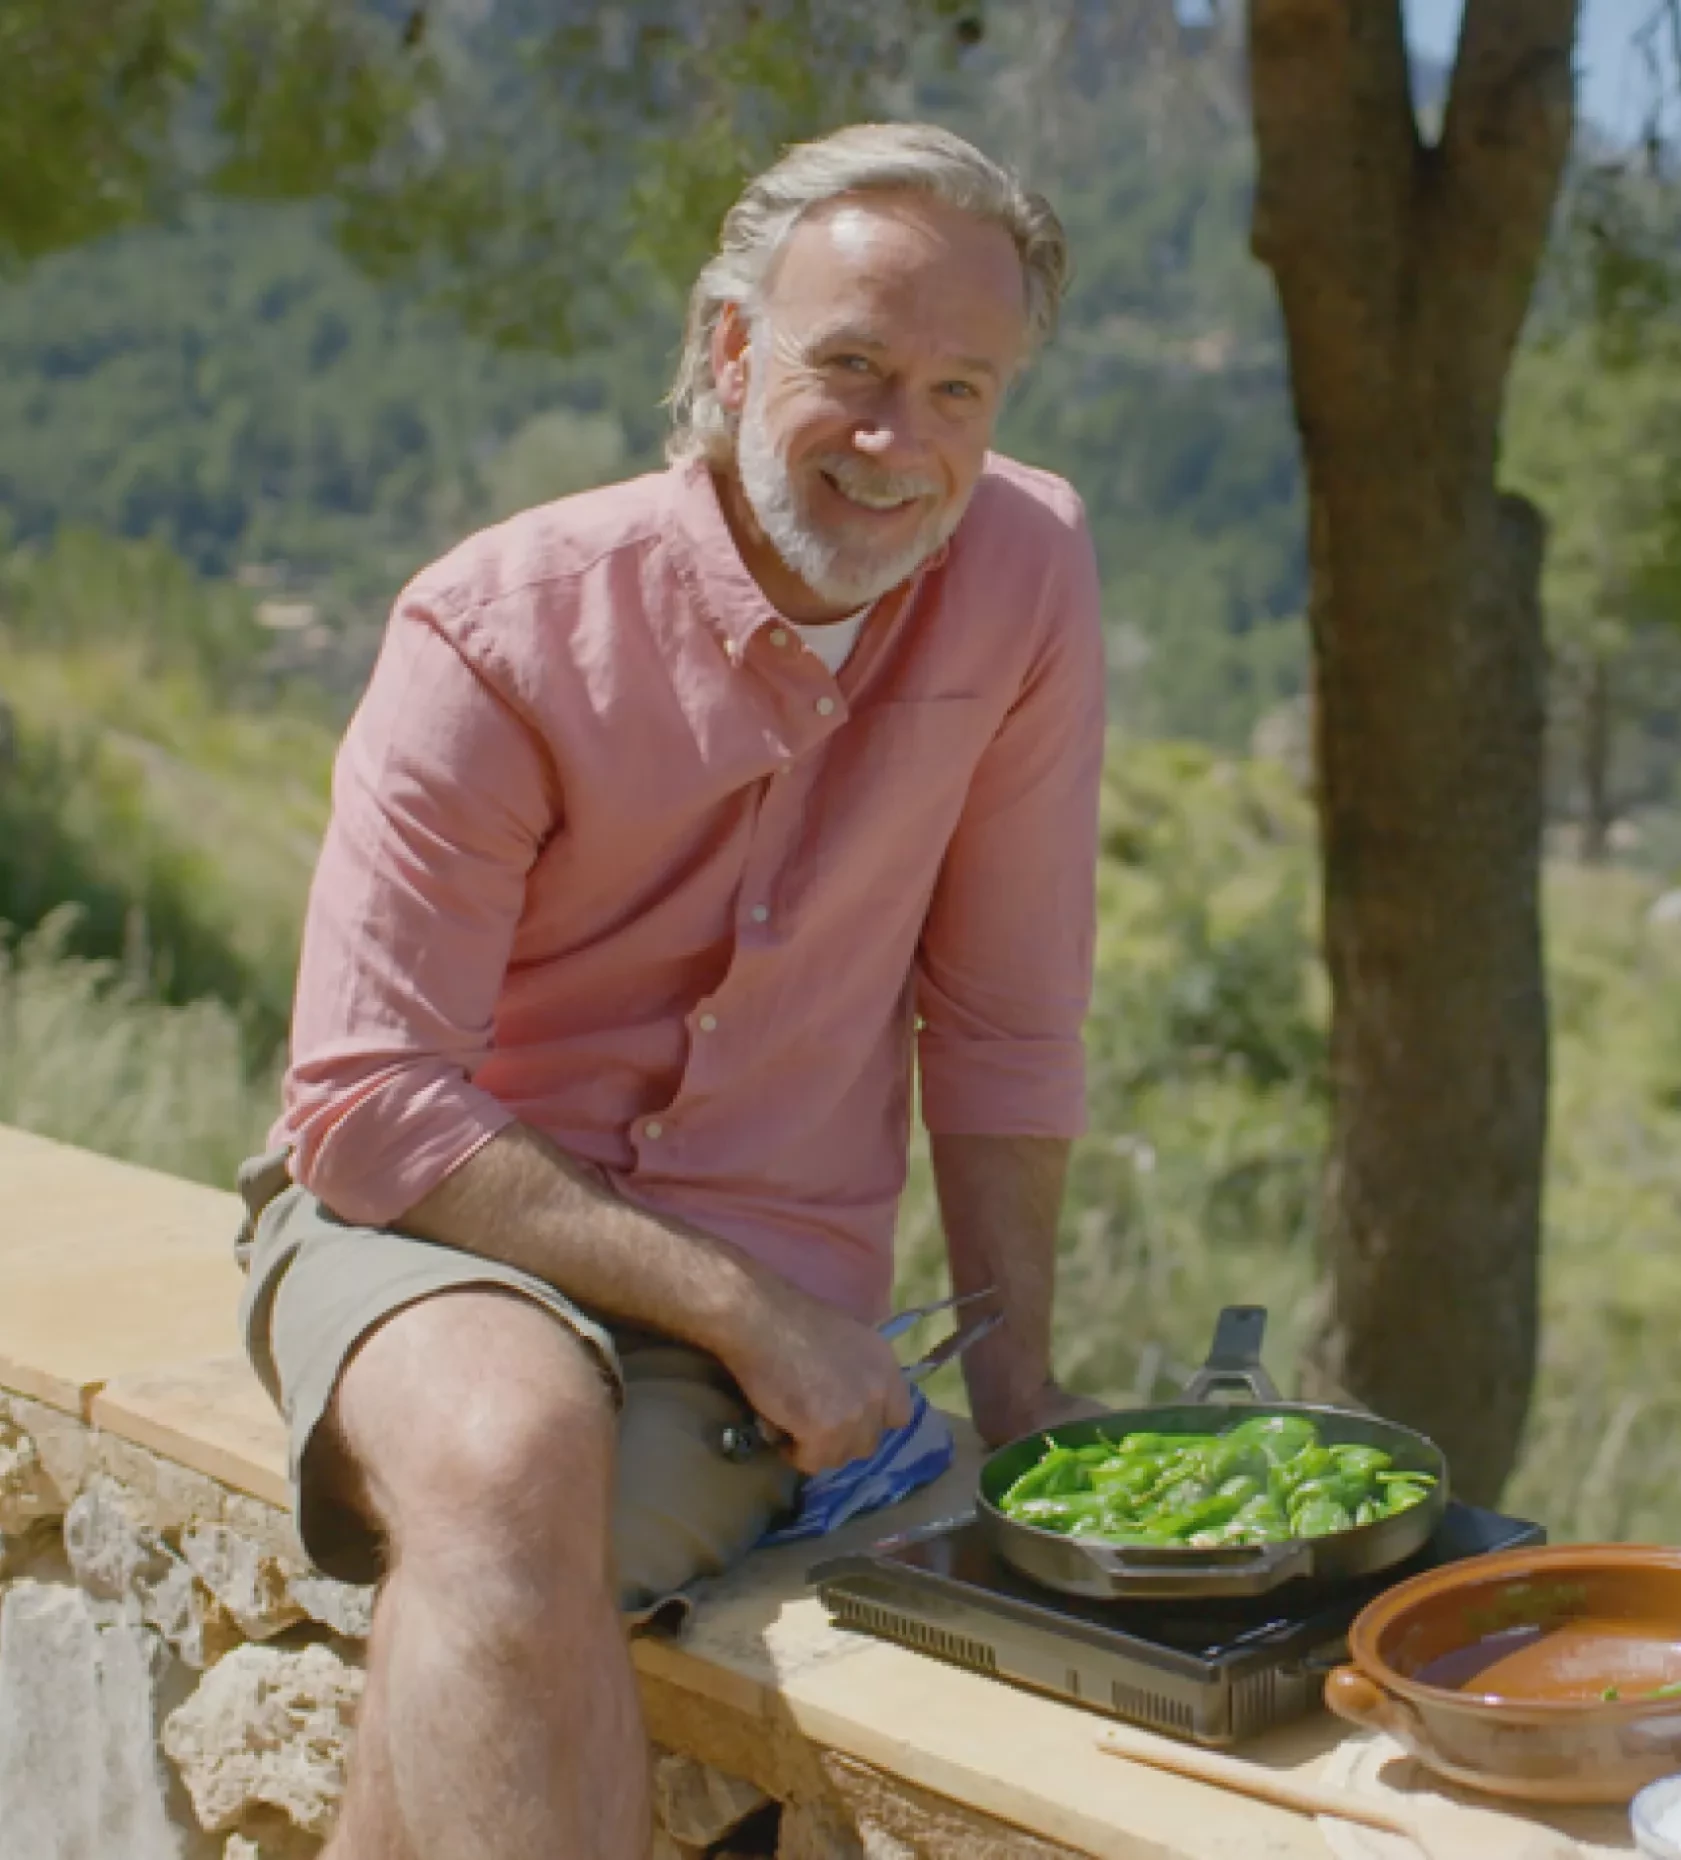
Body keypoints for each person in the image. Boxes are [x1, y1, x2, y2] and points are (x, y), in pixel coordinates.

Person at [229, 122, 1109, 1858]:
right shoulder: (497, 627)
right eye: (851, 368)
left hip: (755, 1302)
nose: (900, 442)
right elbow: (366, 1103)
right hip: (430, 1226)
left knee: (514, 1566)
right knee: (504, 1454)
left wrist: (1020, 1397)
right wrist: (752, 1316)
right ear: (730, 348)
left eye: (959, 391)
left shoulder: (1027, 574)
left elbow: (1003, 1017)